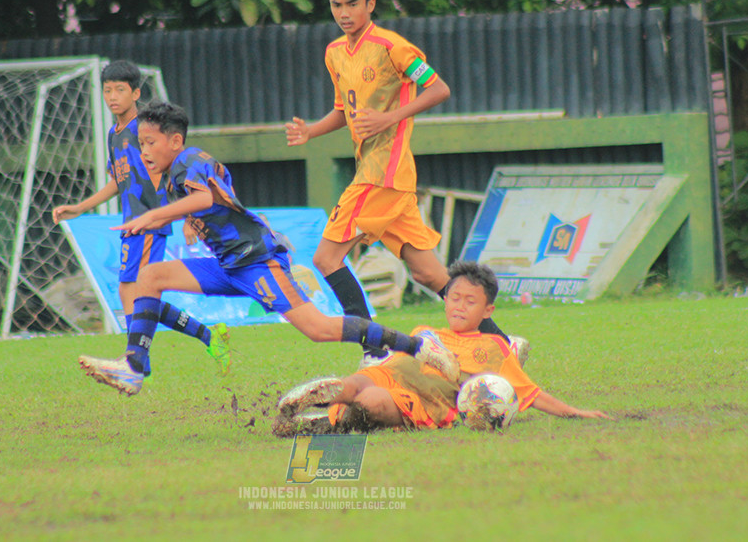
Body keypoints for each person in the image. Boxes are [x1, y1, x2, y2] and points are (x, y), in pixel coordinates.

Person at [76, 102, 461, 396]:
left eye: (149, 143)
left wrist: (156, 217)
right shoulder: (180, 170)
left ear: (175, 141)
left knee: (320, 329)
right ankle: (134, 365)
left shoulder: (187, 160)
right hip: (227, 264)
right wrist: (179, 220)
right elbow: (215, 199)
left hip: (256, 263)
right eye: (141, 143)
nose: (143, 151)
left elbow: (204, 199)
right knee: (150, 276)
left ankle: (417, 345)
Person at [285, 0, 524, 365]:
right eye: (336, 4)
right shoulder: (335, 53)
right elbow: (345, 109)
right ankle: (505, 345)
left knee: (326, 258)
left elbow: (439, 88)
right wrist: (311, 130)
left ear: (370, 4)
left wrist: (390, 117)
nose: (344, 13)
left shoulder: (393, 47)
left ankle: (373, 349)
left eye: (352, 4)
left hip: (382, 174)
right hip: (387, 178)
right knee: (430, 275)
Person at [272, 260, 610, 436]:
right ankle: (328, 396)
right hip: (389, 373)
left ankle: (328, 421)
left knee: (370, 402)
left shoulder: (492, 348)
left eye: (470, 301)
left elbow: (530, 393)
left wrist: (575, 412)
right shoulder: (424, 332)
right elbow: (394, 364)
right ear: (445, 299)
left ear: (488, 310)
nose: (460, 306)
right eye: (454, 298)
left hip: (424, 400)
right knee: (360, 383)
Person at [51, 60, 173, 358]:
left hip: (149, 219)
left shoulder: (142, 130)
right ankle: (204, 336)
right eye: (108, 90)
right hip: (131, 220)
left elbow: (168, 170)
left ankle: (135, 359)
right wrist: (80, 207)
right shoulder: (114, 134)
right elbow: (118, 181)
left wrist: (173, 211)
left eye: (120, 89)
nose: (113, 96)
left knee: (131, 287)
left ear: (136, 93)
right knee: (135, 290)